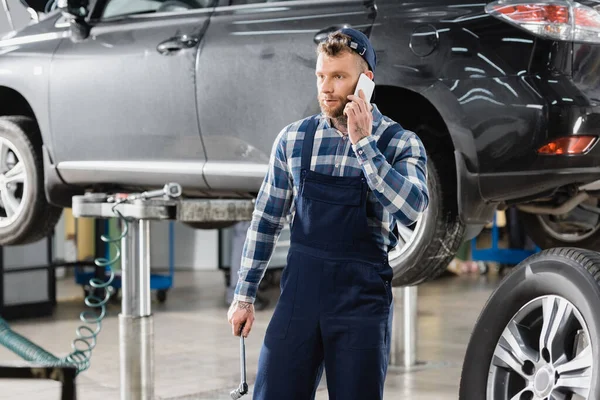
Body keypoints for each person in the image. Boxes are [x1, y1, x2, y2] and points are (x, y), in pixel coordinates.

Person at [227, 28, 429, 400]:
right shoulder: (293, 139)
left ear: (366, 81)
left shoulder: (401, 143)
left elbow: (413, 208)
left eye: (339, 76)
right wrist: (244, 295)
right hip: (300, 295)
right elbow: (267, 219)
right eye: (322, 76)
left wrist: (364, 144)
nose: (327, 88)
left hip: (361, 301)